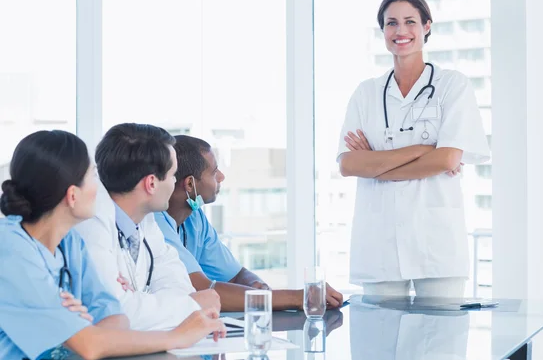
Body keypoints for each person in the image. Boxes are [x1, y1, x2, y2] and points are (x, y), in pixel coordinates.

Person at [0, 130, 225, 360]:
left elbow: (117, 320)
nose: (100, 189)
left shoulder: (70, 244)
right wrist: (178, 336)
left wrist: (77, 329)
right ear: (72, 195)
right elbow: (90, 345)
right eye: (92, 177)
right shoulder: (10, 249)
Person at [337, 0, 490, 297]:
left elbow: (447, 160)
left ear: (426, 27)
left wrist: (375, 164)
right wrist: (423, 151)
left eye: (410, 21)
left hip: (436, 246)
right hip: (380, 246)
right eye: (391, 23)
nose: (401, 31)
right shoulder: (365, 94)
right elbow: (348, 164)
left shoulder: (452, 86)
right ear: (383, 31)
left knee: (440, 342)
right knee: (378, 342)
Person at [154, 135, 344, 311]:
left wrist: (256, 286)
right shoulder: (155, 223)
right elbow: (201, 288)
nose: (221, 177)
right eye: (213, 172)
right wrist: (299, 298)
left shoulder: (195, 218)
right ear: (189, 184)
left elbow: (235, 274)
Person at [73, 123, 221, 331]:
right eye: (173, 175)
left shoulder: (144, 220)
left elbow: (178, 283)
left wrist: (138, 300)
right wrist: (192, 306)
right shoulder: (90, 224)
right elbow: (114, 316)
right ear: (151, 183)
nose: (174, 183)